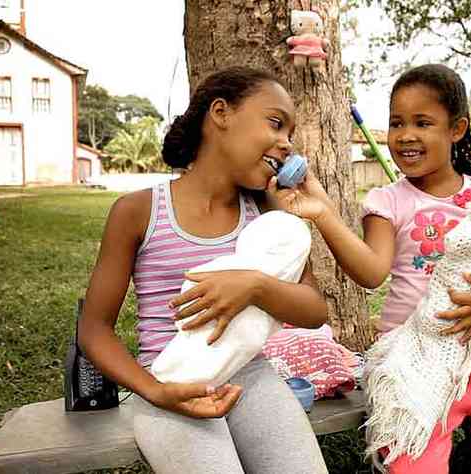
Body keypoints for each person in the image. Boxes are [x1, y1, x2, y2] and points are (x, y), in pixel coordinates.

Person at [274, 64, 471, 473]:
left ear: (456, 129)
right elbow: (371, 273)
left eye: (423, 122)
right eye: (396, 123)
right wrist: (322, 213)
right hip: (411, 365)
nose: (405, 135)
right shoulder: (388, 202)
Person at [78, 66, 329, 474]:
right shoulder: (139, 211)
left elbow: (315, 310)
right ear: (221, 113)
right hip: (170, 381)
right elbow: (94, 330)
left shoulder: (266, 214)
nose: (286, 145)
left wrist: (255, 287)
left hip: (251, 377)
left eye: (290, 134)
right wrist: (155, 392)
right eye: (275, 123)